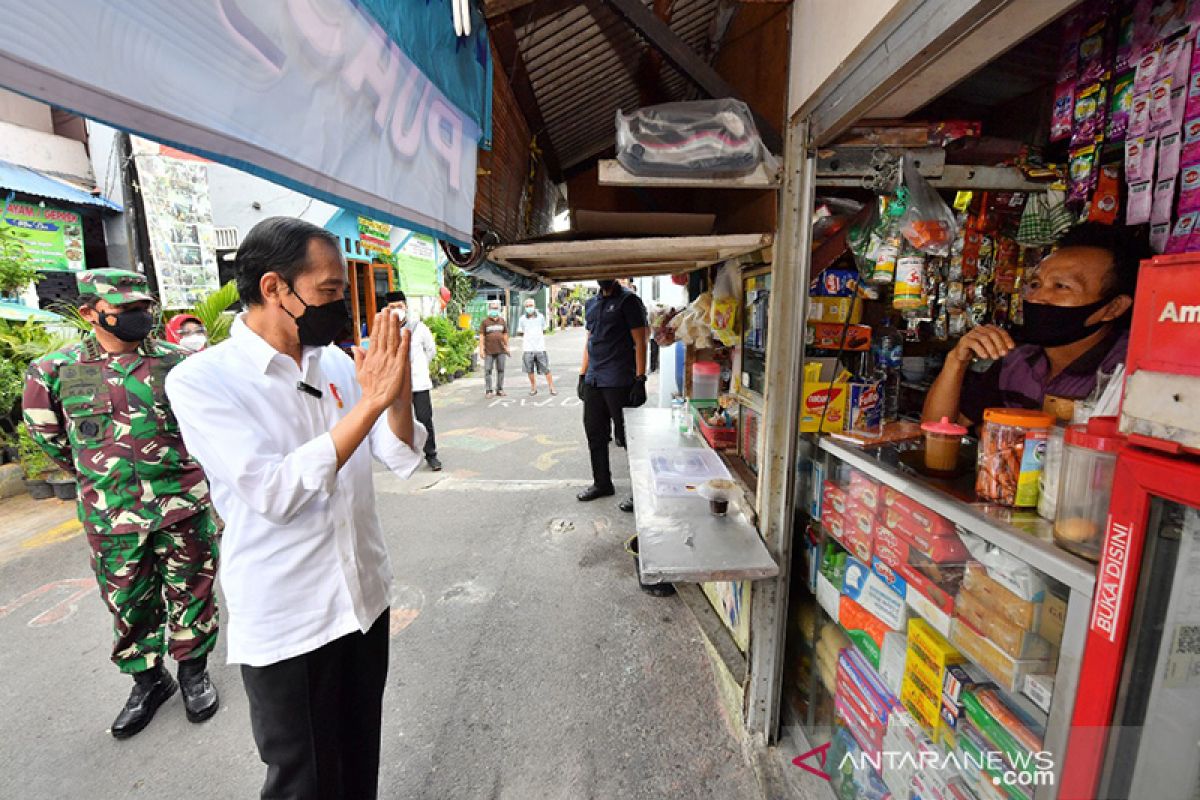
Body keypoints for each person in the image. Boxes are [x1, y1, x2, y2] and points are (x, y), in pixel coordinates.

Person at [165, 217, 427, 800]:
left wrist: (398, 388)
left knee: (360, 759)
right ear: (274, 288)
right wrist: (372, 402)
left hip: (362, 602)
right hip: (291, 618)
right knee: (303, 781)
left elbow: (399, 450)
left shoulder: (333, 364)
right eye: (329, 292)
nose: (341, 305)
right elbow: (274, 492)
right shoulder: (202, 380)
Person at [22, 269, 220, 739]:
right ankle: (148, 683)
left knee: (193, 590)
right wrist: (102, 477)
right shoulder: (54, 370)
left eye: (142, 308)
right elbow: (51, 440)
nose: (138, 318)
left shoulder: (179, 363)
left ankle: (194, 674)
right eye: (125, 310)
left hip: (181, 504)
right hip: (110, 514)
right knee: (126, 601)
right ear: (90, 312)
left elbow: (209, 429)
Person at [923, 223, 1146, 426]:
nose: (1037, 297)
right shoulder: (1018, 359)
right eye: (1035, 284)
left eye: (1061, 286)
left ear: (1114, 307)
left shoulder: (1129, 376)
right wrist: (956, 361)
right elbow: (939, 431)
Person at [577, 278, 649, 509]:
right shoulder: (591, 303)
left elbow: (641, 341)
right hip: (595, 379)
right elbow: (589, 340)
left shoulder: (629, 301)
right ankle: (602, 483)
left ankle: (640, 492)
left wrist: (640, 378)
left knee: (627, 438)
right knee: (595, 433)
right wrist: (582, 374)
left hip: (619, 379)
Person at [384, 290, 442, 471]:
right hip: (396, 384)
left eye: (399, 306)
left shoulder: (419, 328)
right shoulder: (385, 330)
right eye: (392, 307)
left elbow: (430, 350)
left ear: (406, 307)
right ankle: (401, 457)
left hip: (418, 383)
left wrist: (419, 367)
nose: (396, 310)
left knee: (424, 419)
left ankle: (431, 455)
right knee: (398, 421)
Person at [518, 298, 556, 396]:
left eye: (530, 305)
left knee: (546, 369)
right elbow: (521, 332)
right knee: (529, 370)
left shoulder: (541, 317)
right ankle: (533, 387)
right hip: (527, 348)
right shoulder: (522, 319)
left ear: (534, 306)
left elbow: (544, 329)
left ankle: (551, 387)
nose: (529, 308)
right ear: (524, 307)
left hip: (540, 348)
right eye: (527, 306)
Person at [479, 298, 509, 397]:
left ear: (499, 309)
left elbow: (505, 334)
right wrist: (481, 349)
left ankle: (499, 389)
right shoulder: (485, 322)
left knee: (501, 370)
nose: (494, 310)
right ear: (489, 309)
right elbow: (482, 336)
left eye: (496, 308)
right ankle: (488, 391)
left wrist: (507, 347)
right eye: (492, 308)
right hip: (489, 351)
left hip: (501, 350)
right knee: (488, 370)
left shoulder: (502, 321)